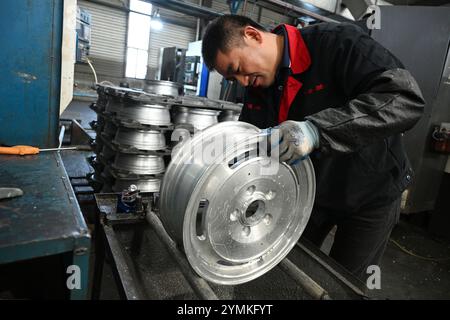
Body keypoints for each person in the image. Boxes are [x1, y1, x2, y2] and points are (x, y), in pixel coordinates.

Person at [201, 14, 425, 282]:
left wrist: (317, 130)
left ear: (253, 35)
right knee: (285, 276)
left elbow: (404, 99)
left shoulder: (337, 44)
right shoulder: (258, 87)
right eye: (232, 79)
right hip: (311, 195)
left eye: (237, 68)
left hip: (371, 192)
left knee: (345, 284)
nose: (241, 82)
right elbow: (253, 149)